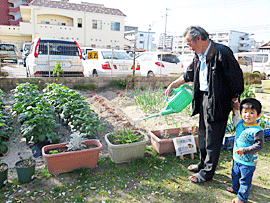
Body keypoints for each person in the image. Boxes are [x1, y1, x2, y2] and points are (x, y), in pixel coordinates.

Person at [165, 26, 244, 183]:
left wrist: (235, 100)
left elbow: (236, 78)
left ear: (199, 39)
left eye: (189, 44)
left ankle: (207, 172)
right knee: (203, 134)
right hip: (204, 98)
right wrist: (173, 84)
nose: (189, 48)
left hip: (219, 101)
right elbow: (189, 73)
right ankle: (202, 164)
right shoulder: (199, 55)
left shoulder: (221, 52)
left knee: (213, 138)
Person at [227, 98, 264, 203]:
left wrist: (245, 150)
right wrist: (235, 107)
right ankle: (235, 188)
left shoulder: (257, 130)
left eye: (252, 113)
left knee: (245, 180)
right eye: (245, 112)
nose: (247, 115)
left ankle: (241, 198)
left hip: (248, 162)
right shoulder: (240, 123)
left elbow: (259, 146)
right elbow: (235, 117)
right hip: (237, 158)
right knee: (235, 174)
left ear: (258, 115)